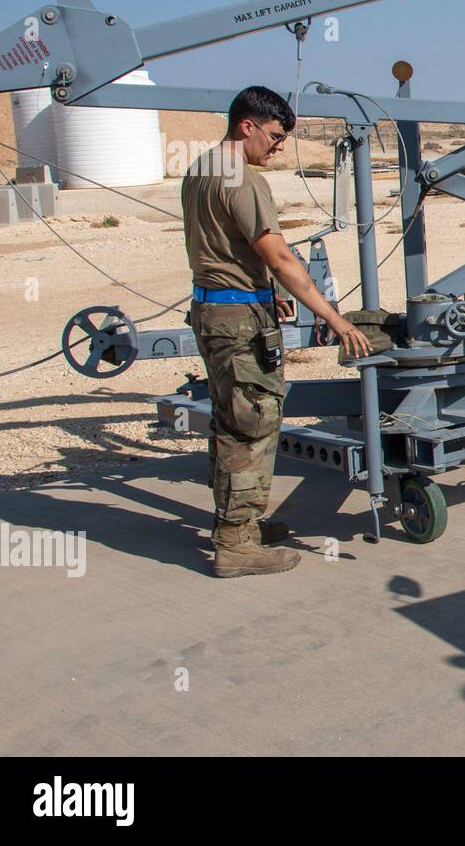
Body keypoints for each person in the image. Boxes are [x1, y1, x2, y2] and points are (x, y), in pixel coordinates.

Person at [181, 86, 371, 578]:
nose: (279, 146)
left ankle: (236, 525)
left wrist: (267, 290)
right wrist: (334, 318)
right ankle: (237, 544)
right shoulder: (242, 181)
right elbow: (280, 256)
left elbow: (226, 248)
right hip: (240, 323)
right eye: (275, 135)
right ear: (247, 125)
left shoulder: (200, 168)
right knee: (253, 427)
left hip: (214, 312)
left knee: (229, 422)